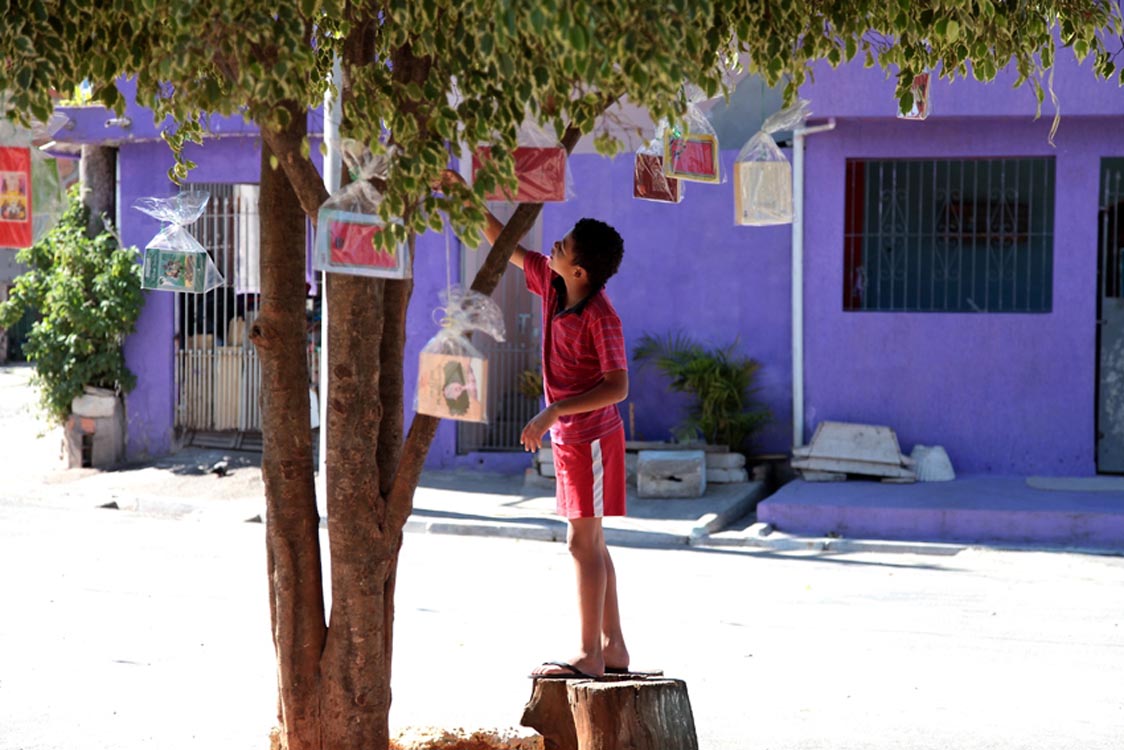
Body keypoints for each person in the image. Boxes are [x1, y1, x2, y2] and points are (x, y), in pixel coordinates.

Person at [442, 170, 632, 679]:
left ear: (582, 272)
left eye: (564, 244)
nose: (554, 244)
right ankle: (612, 649)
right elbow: (504, 245)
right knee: (592, 545)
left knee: (581, 545)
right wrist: (463, 191)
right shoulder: (552, 283)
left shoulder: (601, 317)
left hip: (591, 439)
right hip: (573, 439)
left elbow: (618, 387)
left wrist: (552, 412)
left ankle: (591, 655)